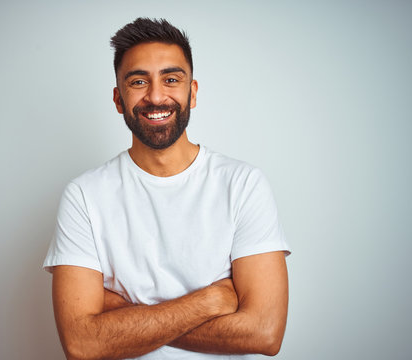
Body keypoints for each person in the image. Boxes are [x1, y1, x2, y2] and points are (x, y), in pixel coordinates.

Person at [44, 18, 291, 360]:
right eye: (138, 81)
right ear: (118, 99)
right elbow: (82, 344)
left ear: (192, 92)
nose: (156, 96)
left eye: (171, 79)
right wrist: (211, 301)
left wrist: (124, 314)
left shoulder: (243, 184)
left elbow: (264, 334)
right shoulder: (84, 196)